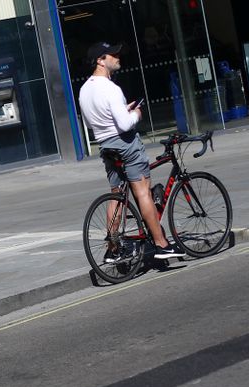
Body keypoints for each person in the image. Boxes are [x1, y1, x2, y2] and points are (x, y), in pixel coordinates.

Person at [78, 41, 186, 260]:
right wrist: (136, 113)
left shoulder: (84, 90)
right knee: (142, 191)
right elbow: (126, 125)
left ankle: (114, 250)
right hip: (125, 143)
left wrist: (120, 114)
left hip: (106, 145)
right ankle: (161, 244)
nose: (118, 56)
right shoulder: (111, 88)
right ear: (100, 60)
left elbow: (91, 124)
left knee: (116, 195)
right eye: (112, 54)